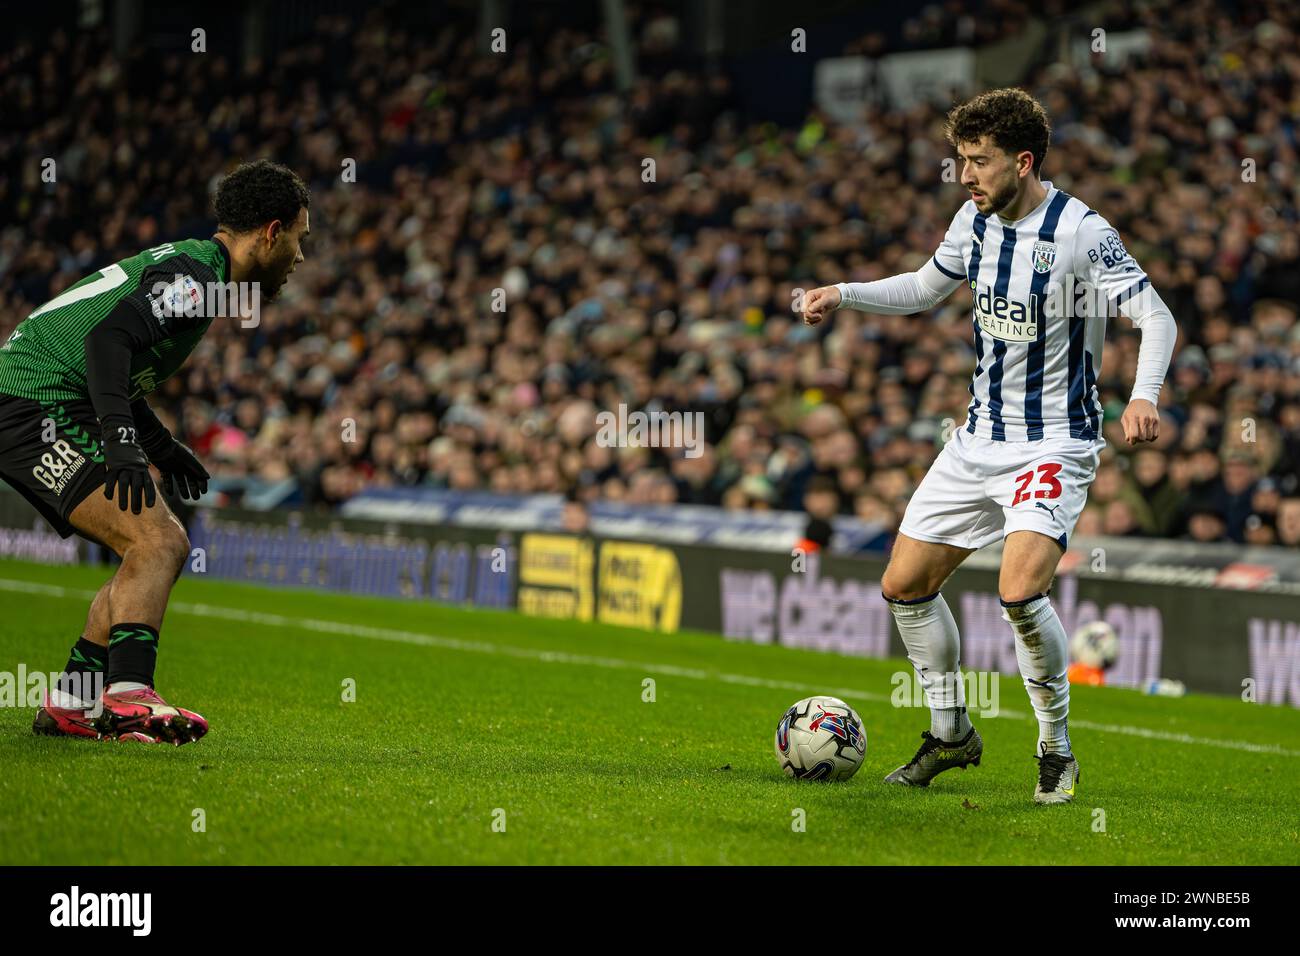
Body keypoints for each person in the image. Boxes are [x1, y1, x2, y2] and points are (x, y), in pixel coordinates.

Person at [801, 89, 1175, 804]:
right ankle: (950, 735)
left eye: (979, 162)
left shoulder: (1080, 232)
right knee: (903, 587)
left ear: (1023, 161)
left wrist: (1144, 394)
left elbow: (1155, 318)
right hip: (976, 440)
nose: (965, 175)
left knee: (1018, 590)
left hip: (1052, 444)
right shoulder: (973, 222)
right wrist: (843, 292)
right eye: (961, 160)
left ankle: (1056, 750)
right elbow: (921, 288)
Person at [0, 159, 310, 745]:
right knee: (158, 541)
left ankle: (72, 701)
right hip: (29, 404)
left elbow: (118, 364)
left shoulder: (199, 269)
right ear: (272, 231)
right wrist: (123, 443)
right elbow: (107, 342)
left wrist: (161, 446)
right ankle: (128, 698)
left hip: (39, 398)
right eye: (299, 237)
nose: (300, 255)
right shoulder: (199, 278)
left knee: (142, 548)